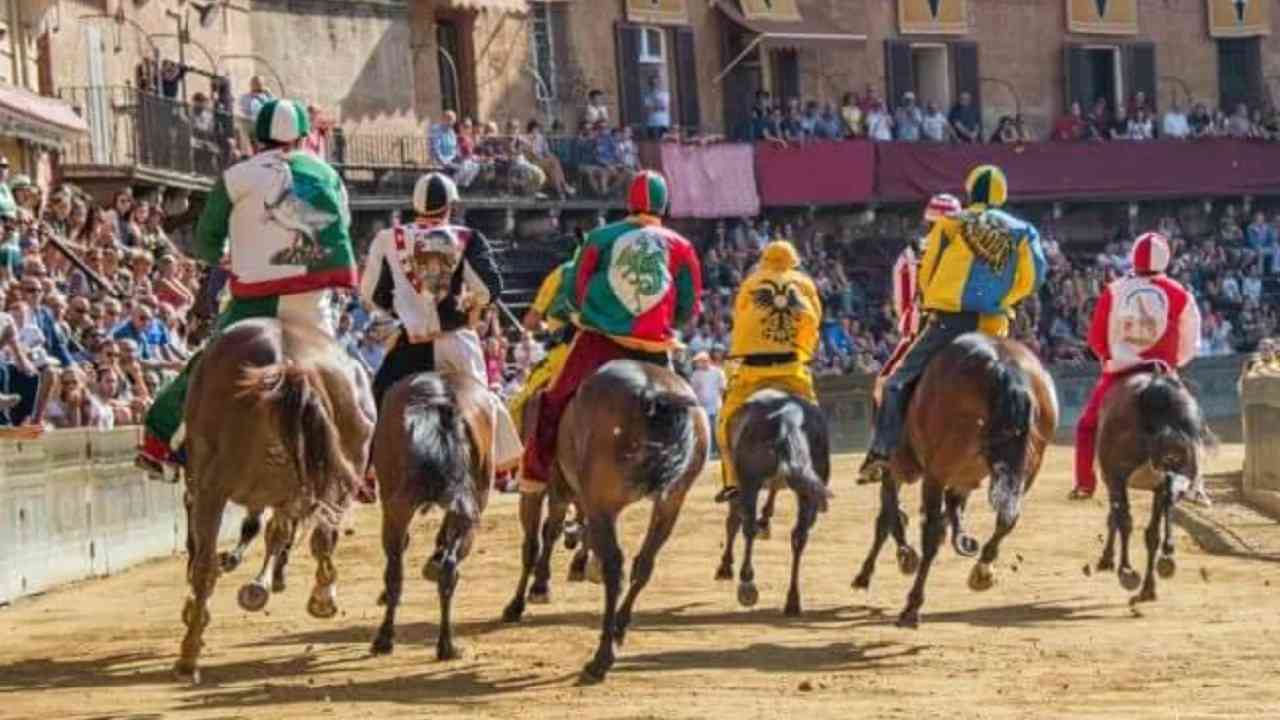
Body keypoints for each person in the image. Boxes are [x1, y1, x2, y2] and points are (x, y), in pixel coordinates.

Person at [138, 99, 358, 476]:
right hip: (309, 300)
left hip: (252, 301)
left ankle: (158, 442)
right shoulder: (327, 174)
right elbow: (344, 224)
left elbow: (206, 239)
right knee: (341, 371)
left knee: (206, 369)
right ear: (304, 137)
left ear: (257, 137)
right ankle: (357, 460)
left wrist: (223, 256)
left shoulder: (236, 176)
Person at [858, 165, 1047, 483]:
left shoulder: (950, 225)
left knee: (893, 384)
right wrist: (1006, 299)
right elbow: (1034, 276)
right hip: (994, 325)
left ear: (971, 191)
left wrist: (935, 302)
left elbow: (929, 271)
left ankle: (882, 451)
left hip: (950, 323)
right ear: (1001, 194)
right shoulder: (1023, 230)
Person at [520, 171, 701, 493]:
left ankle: (536, 475)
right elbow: (689, 307)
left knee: (552, 400)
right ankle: (679, 476)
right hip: (655, 349)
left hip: (599, 342)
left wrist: (588, 310)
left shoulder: (600, 238)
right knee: (685, 412)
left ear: (629, 202)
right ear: (663, 204)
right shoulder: (682, 246)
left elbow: (575, 291)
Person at [360, 172, 523, 483]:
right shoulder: (468, 238)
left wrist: (401, 309)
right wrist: (472, 303)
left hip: (410, 344)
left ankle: (366, 469)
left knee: (378, 399)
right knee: (484, 400)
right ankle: (498, 465)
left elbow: (370, 293)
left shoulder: (387, 239)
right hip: (457, 343)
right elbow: (490, 289)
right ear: (450, 205)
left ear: (416, 206)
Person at [1070, 232, 1201, 499]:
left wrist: (1109, 358)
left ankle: (1085, 484)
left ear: (1134, 257)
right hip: (1162, 371)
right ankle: (1196, 486)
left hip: (1120, 372)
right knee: (1191, 423)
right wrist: (1174, 364)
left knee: (1086, 426)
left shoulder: (1115, 290)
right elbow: (1190, 340)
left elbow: (1095, 338)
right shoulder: (1180, 294)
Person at [713, 239, 821, 503]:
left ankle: (731, 481)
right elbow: (814, 321)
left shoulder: (750, 283)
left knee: (725, 422)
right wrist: (804, 352)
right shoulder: (804, 283)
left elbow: (740, 320)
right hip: (791, 370)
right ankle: (815, 472)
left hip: (753, 372)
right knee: (814, 418)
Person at [875, 193, 962, 403]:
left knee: (884, 385)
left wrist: (908, 329)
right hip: (973, 327)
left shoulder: (910, 256)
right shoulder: (970, 253)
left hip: (923, 332)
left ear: (928, 221)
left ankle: (888, 436)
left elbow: (903, 306)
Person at [689, 350, 727, 457]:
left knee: (715, 428)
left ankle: (718, 451)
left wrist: (720, 402)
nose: (698, 364)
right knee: (706, 429)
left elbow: (722, 388)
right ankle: (709, 451)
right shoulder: (696, 374)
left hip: (715, 405)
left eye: (700, 361)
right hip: (702, 406)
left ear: (707, 361)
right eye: (697, 362)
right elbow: (693, 389)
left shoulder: (718, 372)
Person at [643, 75, 671, 140]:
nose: (655, 85)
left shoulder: (665, 94)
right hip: (652, 123)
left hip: (664, 122)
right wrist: (658, 106)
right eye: (652, 84)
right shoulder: (647, 95)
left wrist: (656, 106)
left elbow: (665, 107)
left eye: (657, 83)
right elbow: (648, 109)